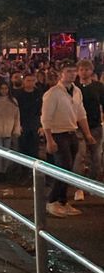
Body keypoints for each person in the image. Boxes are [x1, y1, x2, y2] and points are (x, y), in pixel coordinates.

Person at [41, 65, 94, 217]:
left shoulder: (76, 91)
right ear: (60, 74)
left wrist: (88, 134)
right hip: (58, 134)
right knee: (63, 168)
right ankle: (52, 201)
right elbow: (45, 118)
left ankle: (63, 201)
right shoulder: (52, 93)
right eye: (68, 72)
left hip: (72, 133)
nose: (72, 74)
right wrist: (49, 140)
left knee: (69, 169)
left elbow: (81, 114)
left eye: (73, 71)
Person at [74, 59, 103, 195]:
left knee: (96, 157)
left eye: (87, 69)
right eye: (81, 69)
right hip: (77, 127)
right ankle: (79, 185)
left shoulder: (98, 87)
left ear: (91, 71)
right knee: (80, 156)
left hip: (95, 126)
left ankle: (93, 183)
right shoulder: (73, 87)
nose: (84, 72)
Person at [0, 81, 20, 181]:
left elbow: (17, 117)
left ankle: (3, 172)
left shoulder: (13, 101)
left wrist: (16, 129)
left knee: (6, 153)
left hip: (8, 130)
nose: (4, 91)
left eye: (6, 88)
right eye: (2, 88)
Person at [14, 73, 43, 165]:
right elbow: (16, 111)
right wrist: (18, 124)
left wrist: (42, 125)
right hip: (23, 123)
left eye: (33, 80)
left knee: (34, 147)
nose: (30, 83)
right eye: (28, 80)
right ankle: (23, 168)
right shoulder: (18, 94)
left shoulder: (39, 93)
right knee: (22, 147)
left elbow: (42, 110)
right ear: (24, 81)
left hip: (35, 124)